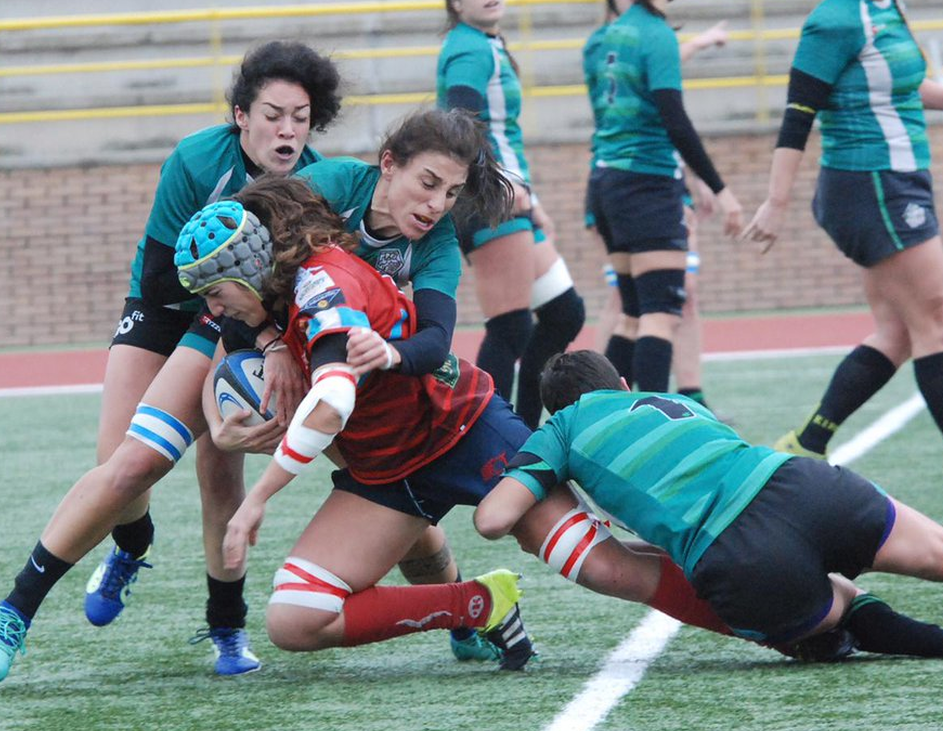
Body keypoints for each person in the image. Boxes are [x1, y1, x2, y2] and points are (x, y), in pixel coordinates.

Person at [0, 108, 497, 683]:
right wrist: (269, 345)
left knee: (395, 495)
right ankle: (15, 609)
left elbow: (437, 340)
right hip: (242, 324)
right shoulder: (332, 185)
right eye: (428, 183)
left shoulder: (436, 241)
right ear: (389, 164)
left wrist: (365, 360)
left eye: (451, 192)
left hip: (335, 369)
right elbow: (232, 276)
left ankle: (465, 621)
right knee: (135, 460)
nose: (437, 203)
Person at [188, 174, 742, 667]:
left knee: (602, 567)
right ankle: (479, 605)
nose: (213, 311)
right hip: (389, 469)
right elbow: (229, 346)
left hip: (467, 431)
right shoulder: (268, 298)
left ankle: (781, 621)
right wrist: (241, 390)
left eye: (214, 293)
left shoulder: (319, 284)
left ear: (251, 267)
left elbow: (333, 398)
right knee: (295, 616)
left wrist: (257, 499)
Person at [0, 40, 341, 683]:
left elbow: (289, 288)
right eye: (274, 114)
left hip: (237, 320)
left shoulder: (314, 183)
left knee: (218, 466)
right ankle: (125, 549)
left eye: (301, 117)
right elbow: (172, 274)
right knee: (122, 466)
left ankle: (227, 628)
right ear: (240, 115)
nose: (287, 130)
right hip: (167, 304)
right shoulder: (196, 160)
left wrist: (260, 346)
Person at [474, 350, 943, 661]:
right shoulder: (668, 398)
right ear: (623, 380)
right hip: (799, 483)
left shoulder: (560, 427)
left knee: (832, 614)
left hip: (737, 554)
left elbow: (495, 518)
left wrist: (553, 480)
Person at [739, 0, 943, 495]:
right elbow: (798, 113)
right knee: (937, 319)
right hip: (872, 184)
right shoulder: (836, 18)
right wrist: (776, 201)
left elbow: (901, 84)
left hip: (894, 182)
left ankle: (808, 441)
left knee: (898, 332)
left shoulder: (884, 8)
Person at [437, 0, 586, 428]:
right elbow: (460, 125)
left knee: (564, 313)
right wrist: (501, 186)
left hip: (506, 194)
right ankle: (491, 435)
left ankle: (522, 425)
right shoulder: (469, 47)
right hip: (488, 199)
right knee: (510, 327)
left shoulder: (485, 42)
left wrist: (530, 199)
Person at [585, 0, 743, 395]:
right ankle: (654, 421)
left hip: (607, 182)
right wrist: (721, 189)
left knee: (633, 315)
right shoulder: (656, 34)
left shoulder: (604, 38)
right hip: (647, 186)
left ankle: (603, 415)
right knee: (660, 315)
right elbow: (674, 119)